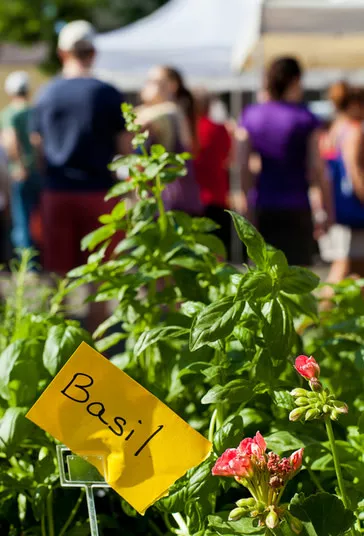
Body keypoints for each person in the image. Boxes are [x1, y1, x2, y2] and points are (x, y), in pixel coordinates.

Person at [30, 20, 129, 275]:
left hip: (56, 191)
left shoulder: (46, 94)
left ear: (61, 53)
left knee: (58, 273)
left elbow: (37, 147)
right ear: (93, 52)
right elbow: (125, 149)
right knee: (101, 274)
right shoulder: (107, 93)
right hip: (100, 193)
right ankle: (96, 318)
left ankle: (59, 316)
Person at [236, 56, 332, 266]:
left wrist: (245, 205)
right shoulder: (305, 118)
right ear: (295, 80)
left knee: (265, 276)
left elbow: (242, 165)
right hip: (297, 206)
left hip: (263, 205)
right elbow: (317, 168)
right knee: (297, 279)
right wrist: (326, 209)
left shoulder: (251, 116)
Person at [137, 66, 201, 215]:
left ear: (172, 86)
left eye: (154, 81)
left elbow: (135, 125)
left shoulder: (169, 111)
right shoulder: (171, 111)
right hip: (169, 198)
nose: (147, 86)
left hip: (169, 201)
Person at [319, 82, 364, 281]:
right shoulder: (354, 131)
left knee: (354, 266)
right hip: (354, 206)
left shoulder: (334, 129)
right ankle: (321, 311)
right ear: (354, 104)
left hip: (337, 204)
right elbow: (354, 169)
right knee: (344, 265)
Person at [0, 71, 40, 251]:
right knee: (38, 215)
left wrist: (18, 165)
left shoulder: (10, 114)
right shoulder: (34, 111)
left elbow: (10, 141)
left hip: (20, 172)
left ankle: (27, 262)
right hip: (37, 170)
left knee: (21, 217)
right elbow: (38, 140)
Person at [194, 89, 232, 255]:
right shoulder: (219, 129)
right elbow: (229, 158)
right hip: (217, 197)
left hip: (194, 199)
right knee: (217, 255)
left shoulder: (188, 130)